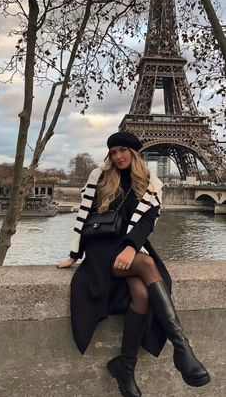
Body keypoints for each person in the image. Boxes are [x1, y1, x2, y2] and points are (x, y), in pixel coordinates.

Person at [57, 132, 210, 397]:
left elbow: (147, 222)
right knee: (148, 265)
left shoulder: (151, 183)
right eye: (113, 152)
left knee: (141, 293)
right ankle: (181, 347)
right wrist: (73, 254)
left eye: (122, 151)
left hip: (131, 248)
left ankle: (125, 365)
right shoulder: (100, 177)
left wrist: (129, 247)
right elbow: (84, 217)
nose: (117, 156)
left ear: (134, 152)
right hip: (101, 249)